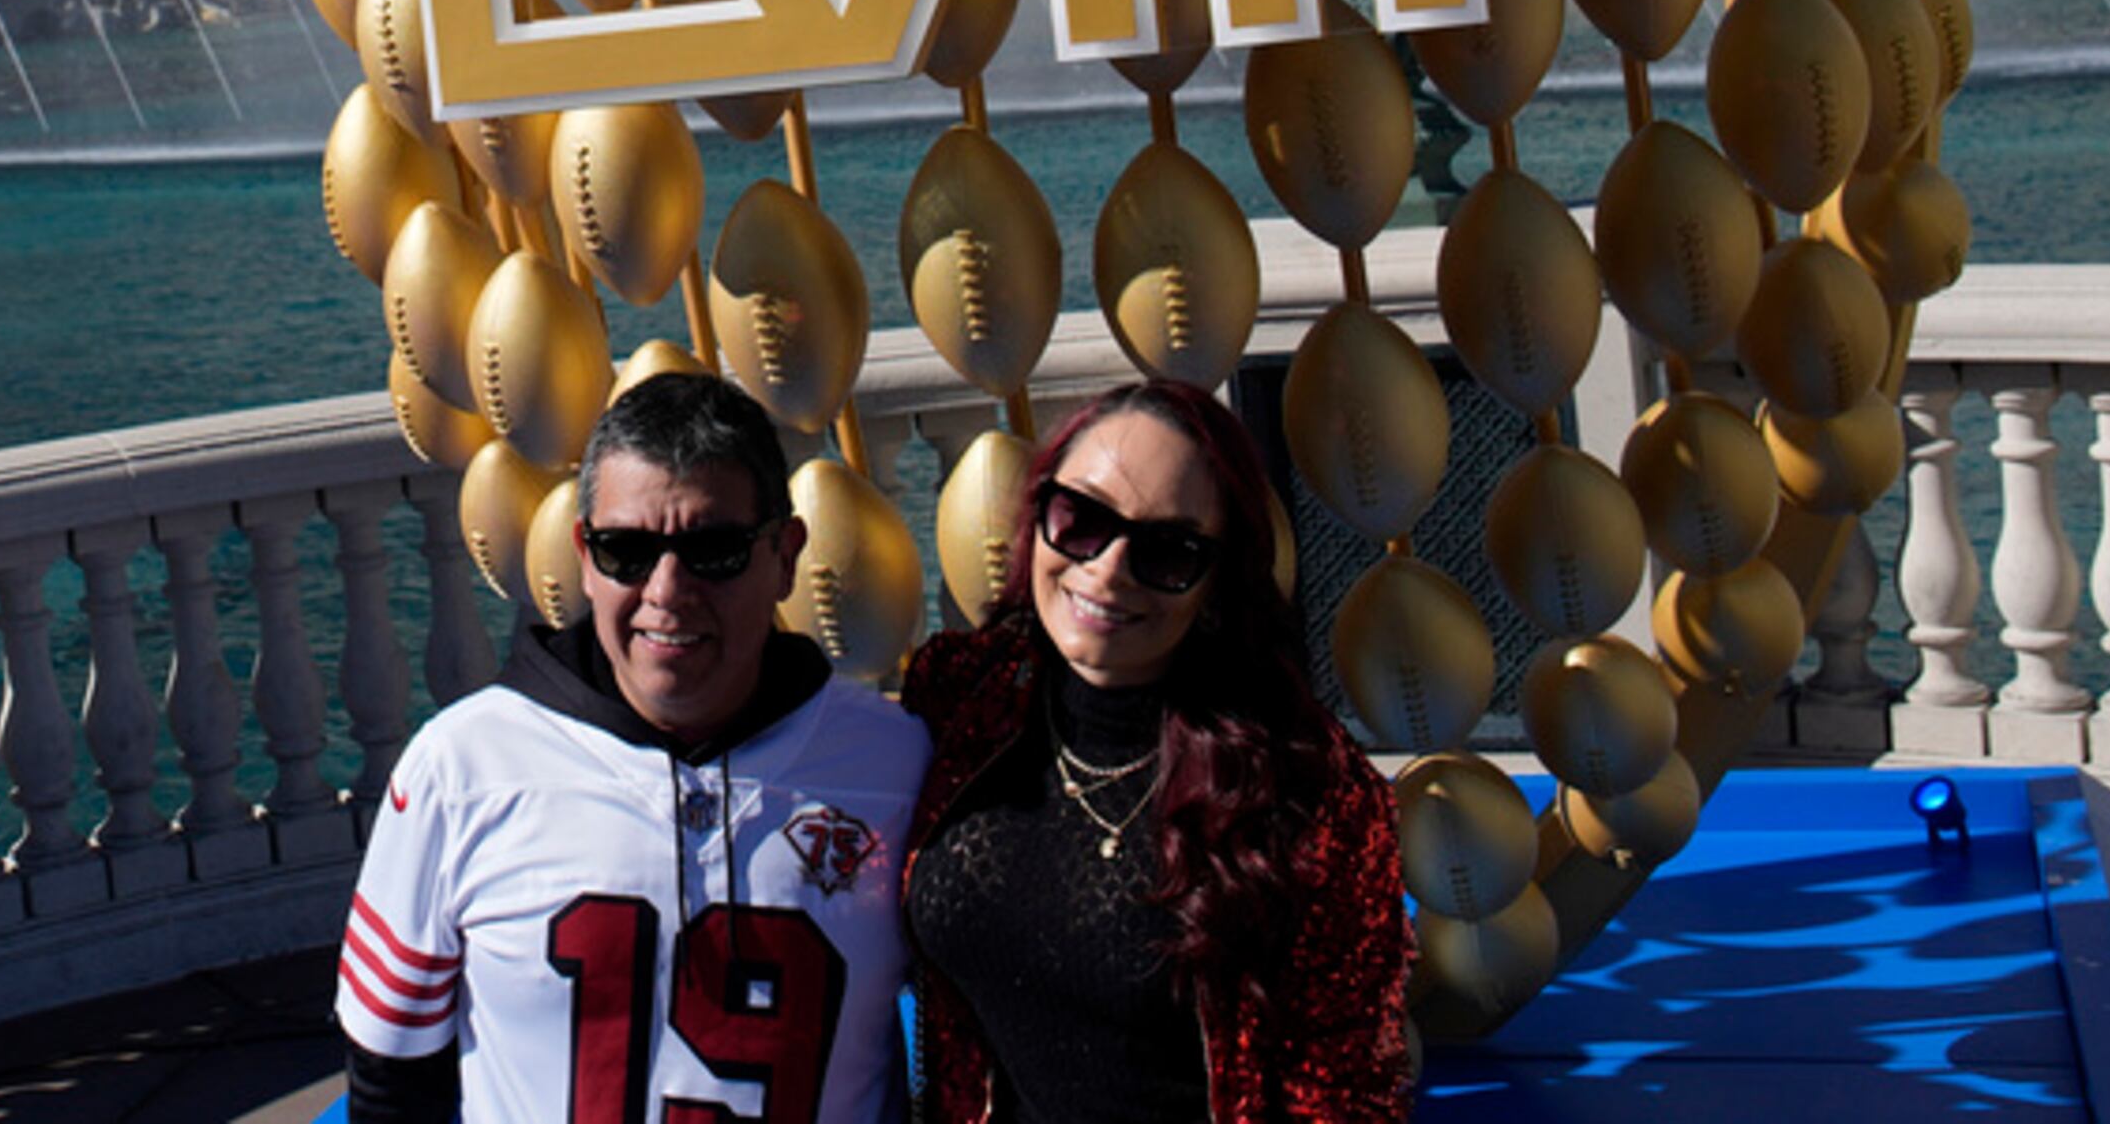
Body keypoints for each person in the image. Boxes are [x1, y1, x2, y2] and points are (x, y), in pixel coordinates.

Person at [340, 370, 934, 1123]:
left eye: (713, 548)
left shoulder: (897, 766)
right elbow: (391, 1084)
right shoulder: (460, 771)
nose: (667, 590)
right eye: (627, 549)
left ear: (785, 554)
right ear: (584, 555)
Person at [899, 379, 1411, 1123]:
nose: (1107, 569)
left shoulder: (1308, 787)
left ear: (1216, 581)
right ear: (1037, 512)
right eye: (1081, 520)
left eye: (1166, 551)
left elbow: (1348, 1093)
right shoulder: (961, 692)